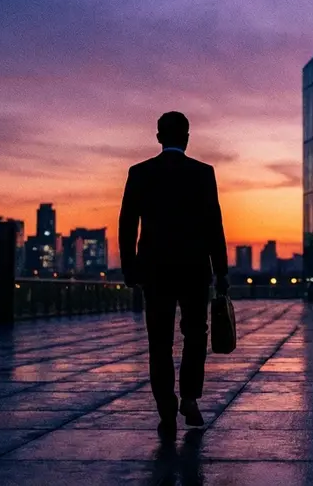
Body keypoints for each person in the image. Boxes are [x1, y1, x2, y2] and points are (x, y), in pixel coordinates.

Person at [118, 111, 229, 435]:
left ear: (158, 137)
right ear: (187, 138)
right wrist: (221, 271)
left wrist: (130, 268)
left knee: (159, 341)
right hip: (194, 269)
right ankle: (190, 397)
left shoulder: (140, 173)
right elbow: (214, 225)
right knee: (195, 335)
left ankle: (166, 408)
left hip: (155, 270)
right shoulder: (203, 173)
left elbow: (127, 224)